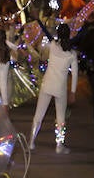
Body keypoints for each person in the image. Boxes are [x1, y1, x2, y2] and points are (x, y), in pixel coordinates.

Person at [27, 21, 78, 154]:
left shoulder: (53, 46)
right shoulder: (72, 54)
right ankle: (59, 145)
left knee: (38, 115)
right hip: (60, 88)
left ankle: (31, 142)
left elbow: (47, 35)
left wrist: (38, 21)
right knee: (60, 118)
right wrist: (73, 92)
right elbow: (75, 74)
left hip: (47, 85)